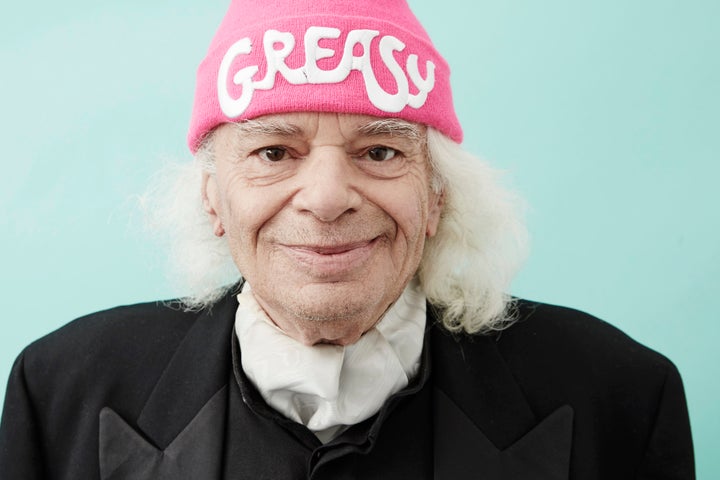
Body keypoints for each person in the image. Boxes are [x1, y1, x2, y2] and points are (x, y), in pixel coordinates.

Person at [0, 0, 694, 478]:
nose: (328, 198)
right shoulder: (61, 391)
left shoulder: (622, 397)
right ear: (213, 197)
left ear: (437, 198)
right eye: (274, 151)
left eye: (381, 152)